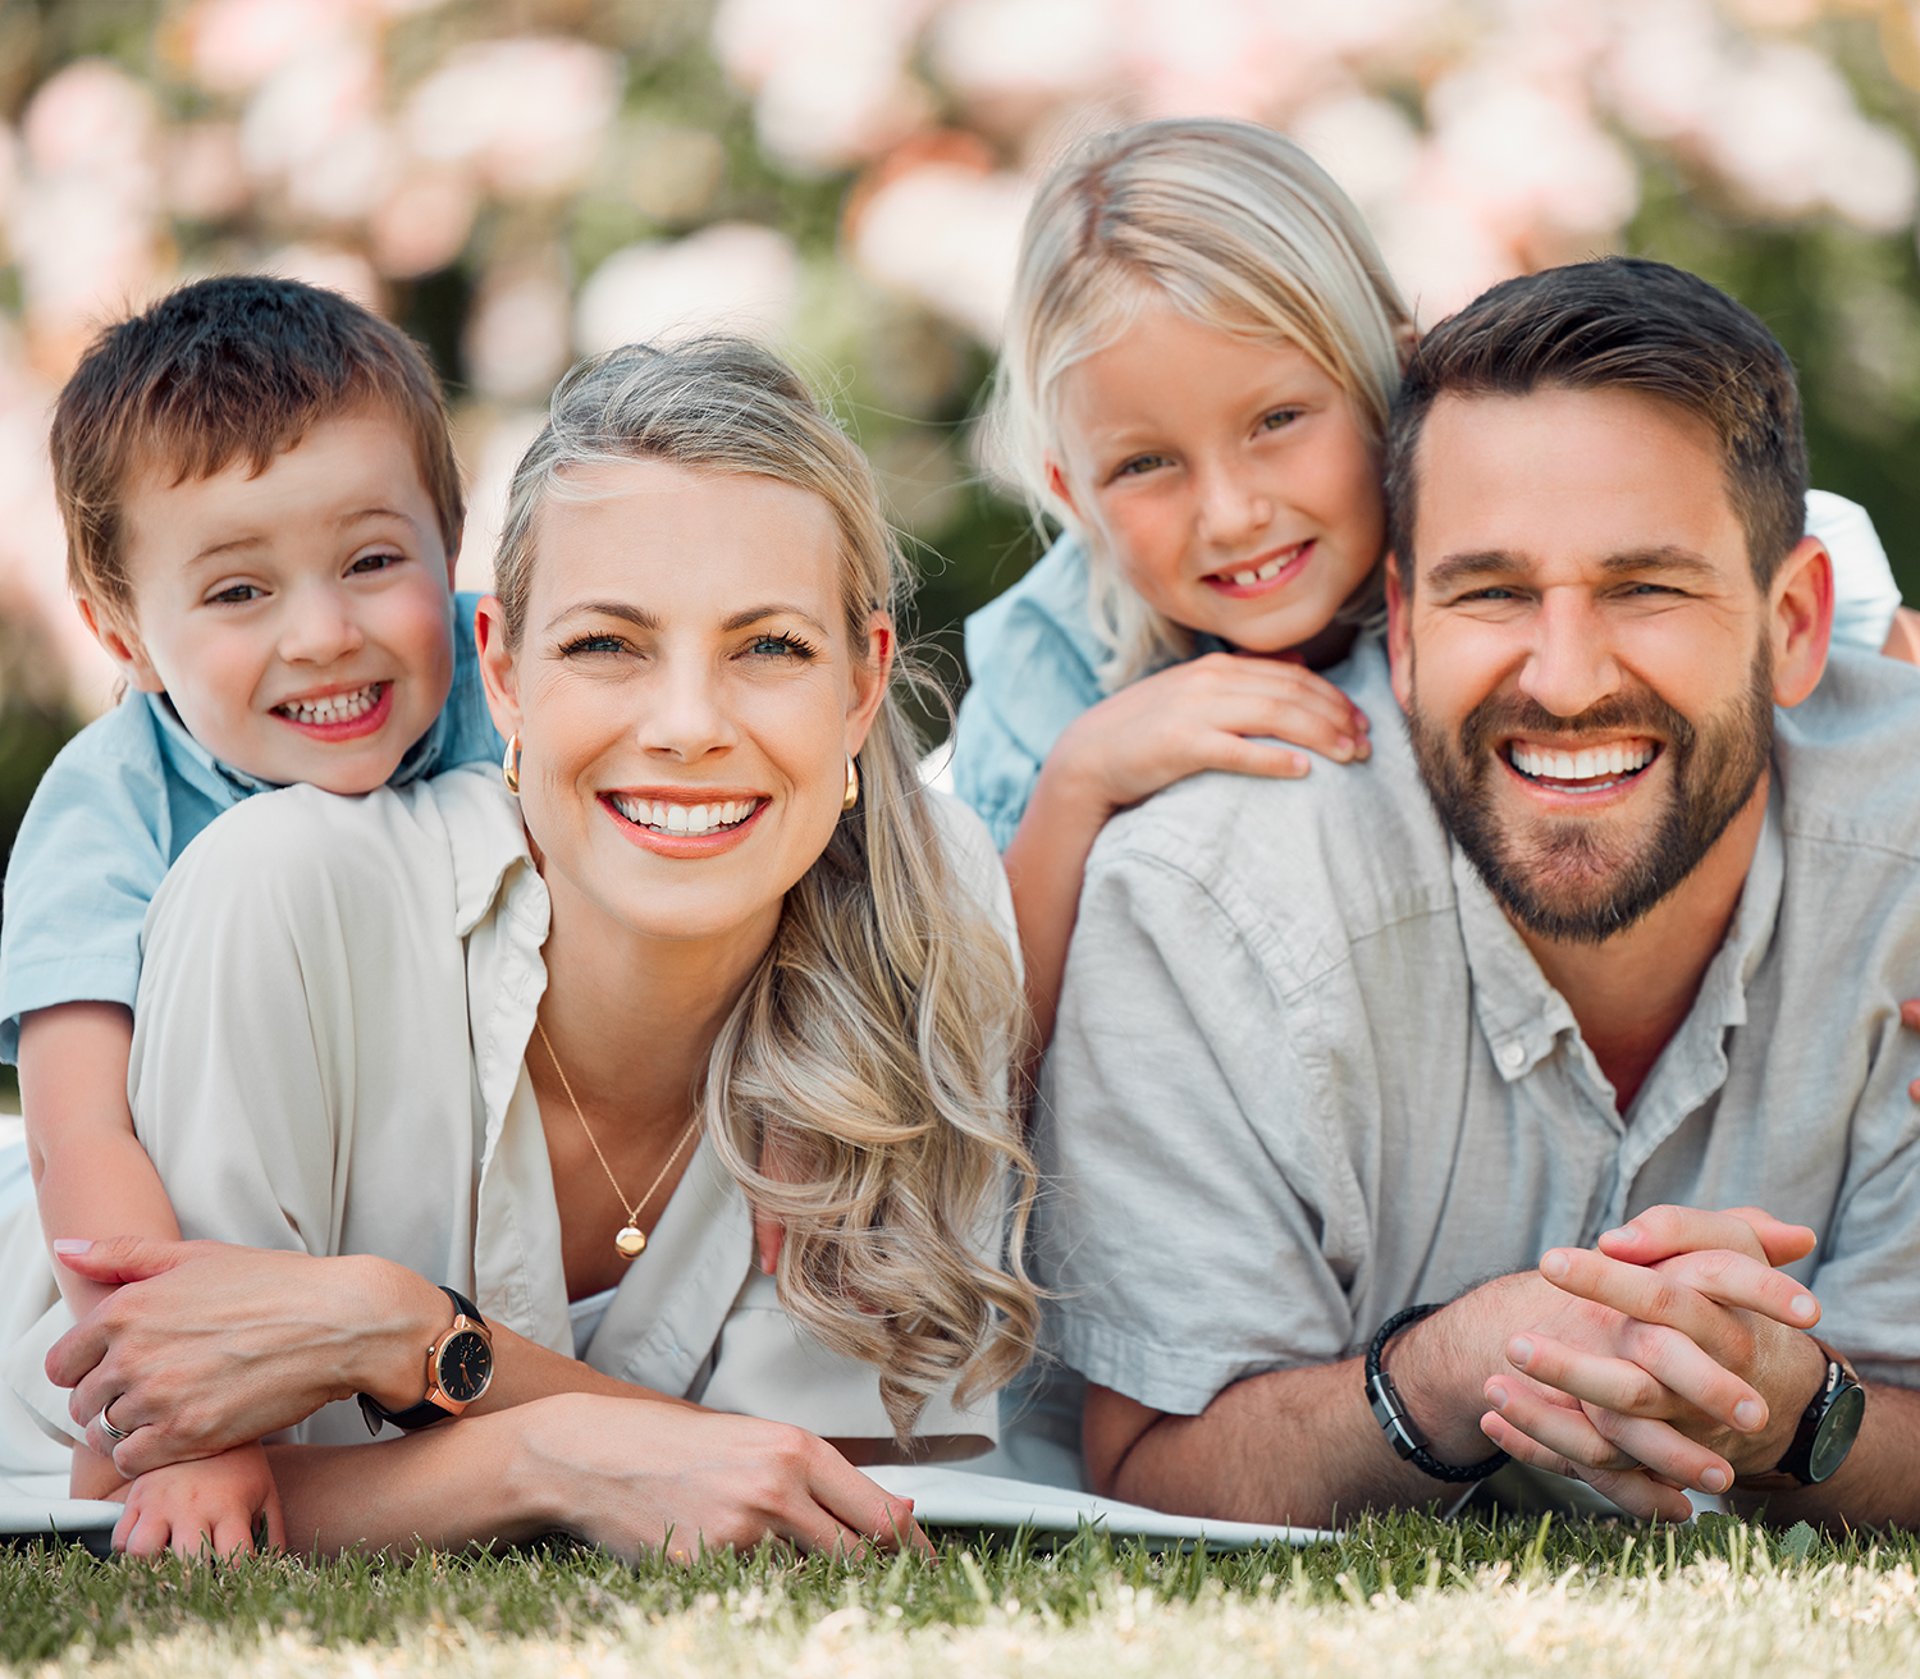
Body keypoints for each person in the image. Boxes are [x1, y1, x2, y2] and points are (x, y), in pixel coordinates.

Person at [1, 335, 1039, 1560]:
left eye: (771, 646)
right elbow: (151, 1491)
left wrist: (399, 1336)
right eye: (606, 643)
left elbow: (820, 1500)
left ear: (863, 687)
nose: (690, 725)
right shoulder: (279, 884)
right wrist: (528, 1437)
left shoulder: (925, 905)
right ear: (500, 666)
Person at [1035, 258, 1920, 1530]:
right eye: (1492, 591)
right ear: (1399, 628)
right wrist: (1451, 1368)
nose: (1563, 679)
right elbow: (1146, 1464)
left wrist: (1800, 1414)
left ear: (1793, 624)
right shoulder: (1200, 895)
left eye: (1645, 586)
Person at [950, 117, 1915, 1044]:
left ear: (1391, 370)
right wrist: (1078, 783)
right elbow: (986, 1066)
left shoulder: (1533, 521)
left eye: (1278, 420)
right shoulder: (1055, 661)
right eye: (1145, 465)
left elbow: (1883, 679)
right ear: (1070, 492)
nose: (1231, 512)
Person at [0, 276, 501, 1548]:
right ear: (122, 628)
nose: (325, 632)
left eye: (374, 560)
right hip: (111, 1263)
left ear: (452, 539)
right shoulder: (110, 805)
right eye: (238, 592)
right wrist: (192, 1417)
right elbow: (80, 1135)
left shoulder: (507, 696)